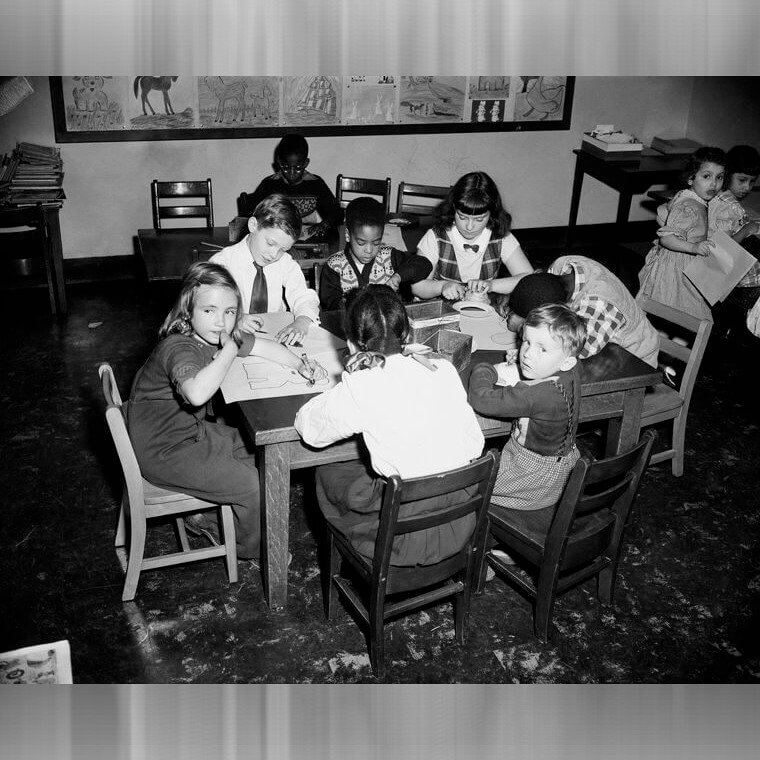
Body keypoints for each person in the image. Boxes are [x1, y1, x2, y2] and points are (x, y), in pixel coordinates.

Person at [125, 262, 310, 562]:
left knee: (262, 450)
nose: (220, 322)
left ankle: (205, 517)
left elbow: (264, 348)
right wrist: (229, 349)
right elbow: (197, 393)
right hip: (164, 450)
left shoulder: (211, 335)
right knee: (251, 485)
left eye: (229, 312)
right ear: (188, 310)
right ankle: (253, 549)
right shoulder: (178, 347)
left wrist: (301, 364)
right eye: (209, 311)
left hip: (189, 433)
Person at [294, 285, 485, 566]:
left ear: (351, 345)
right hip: (459, 523)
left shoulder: (362, 385)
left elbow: (308, 429)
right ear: (407, 334)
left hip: (400, 540)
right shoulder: (443, 369)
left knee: (326, 470)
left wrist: (349, 382)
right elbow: (474, 442)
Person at [468, 303, 586, 517]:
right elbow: (571, 364)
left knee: (466, 489)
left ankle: (490, 537)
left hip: (532, 475)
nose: (528, 354)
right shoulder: (571, 368)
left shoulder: (536, 395)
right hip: (563, 466)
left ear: (567, 361)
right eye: (527, 342)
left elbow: (481, 399)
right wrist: (525, 363)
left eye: (542, 349)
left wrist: (484, 369)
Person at [503, 257, 660, 367]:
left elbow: (572, 350)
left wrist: (522, 326)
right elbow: (537, 288)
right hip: (602, 344)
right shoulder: (562, 266)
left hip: (633, 359)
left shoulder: (599, 306)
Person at [210, 194, 320, 346]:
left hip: (274, 338)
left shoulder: (284, 262)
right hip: (231, 340)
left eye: (283, 249)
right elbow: (207, 309)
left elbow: (304, 296)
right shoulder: (222, 263)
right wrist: (235, 318)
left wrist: (302, 321)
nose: (274, 254)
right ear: (253, 225)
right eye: (270, 243)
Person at [411, 171, 533, 302]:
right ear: (453, 209)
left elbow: (528, 279)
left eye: (479, 219)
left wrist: (491, 285)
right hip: (438, 310)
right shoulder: (436, 236)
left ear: (492, 214)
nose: (469, 227)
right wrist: (442, 286)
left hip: (481, 310)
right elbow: (418, 286)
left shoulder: (500, 236)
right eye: (462, 217)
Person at [637, 146, 727, 322]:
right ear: (690, 179)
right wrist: (693, 246)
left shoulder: (689, 198)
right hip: (676, 268)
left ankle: (673, 342)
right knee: (691, 316)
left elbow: (663, 210)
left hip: (680, 262)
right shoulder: (690, 206)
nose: (714, 183)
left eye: (719, 177)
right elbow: (667, 238)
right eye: (706, 176)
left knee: (676, 316)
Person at [319, 196, 432, 311]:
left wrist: (398, 276)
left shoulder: (388, 256)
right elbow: (332, 307)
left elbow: (424, 264)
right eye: (361, 243)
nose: (369, 250)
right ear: (348, 235)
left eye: (376, 243)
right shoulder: (335, 265)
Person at [240, 133, 343, 242]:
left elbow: (337, 213)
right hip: (277, 238)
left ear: (306, 163)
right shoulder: (270, 184)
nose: (291, 173)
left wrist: (325, 224)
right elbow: (252, 213)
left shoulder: (315, 184)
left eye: (298, 168)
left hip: (307, 238)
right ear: (279, 162)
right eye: (285, 167)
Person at [708, 145, 760, 315]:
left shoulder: (716, 194)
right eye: (742, 180)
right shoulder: (731, 206)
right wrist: (746, 230)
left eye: (752, 181)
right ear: (728, 174)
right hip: (732, 277)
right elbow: (722, 246)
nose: (747, 187)